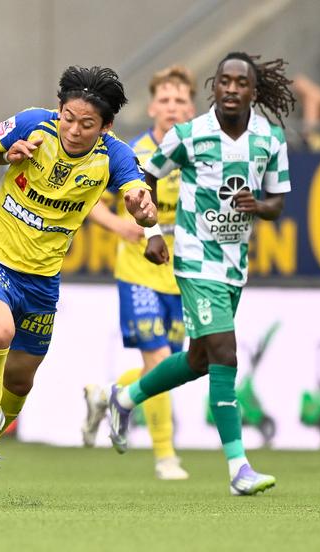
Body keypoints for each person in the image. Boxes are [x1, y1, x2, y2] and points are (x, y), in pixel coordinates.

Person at [0, 66, 158, 498]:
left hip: (42, 281)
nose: (74, 129)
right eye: (68, 117)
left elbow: (136, 189)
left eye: (87, 124)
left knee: (22, 380)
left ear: (105, 126)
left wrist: (142, 206)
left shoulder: (113, 154)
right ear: (59, 109)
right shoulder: (33, 123)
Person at [106, 52, 294, 496]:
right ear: (214, 88)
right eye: (223, 81)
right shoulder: (189, 136)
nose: (231, 89)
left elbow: (277, 202)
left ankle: (125, 398)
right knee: (225, 354)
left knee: (199, 360)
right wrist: (150, 231)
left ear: (253, 91)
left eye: (240, 83)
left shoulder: (269, 138)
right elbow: (142, 177)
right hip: (193, 259)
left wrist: (258, 206)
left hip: (234, 264)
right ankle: (238, 468)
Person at [81, 65, 196, 480]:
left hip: (182, 277)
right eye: (165, 99)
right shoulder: (131, 155)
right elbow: (87, 200)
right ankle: (166, 456)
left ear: (192, 108)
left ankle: (109, 395)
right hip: (138, 271)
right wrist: (120, 226)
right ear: (152, 107)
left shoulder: (200, 154)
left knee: (168, 367)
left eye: (180, 100)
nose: (172, 107)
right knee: (161, 358)